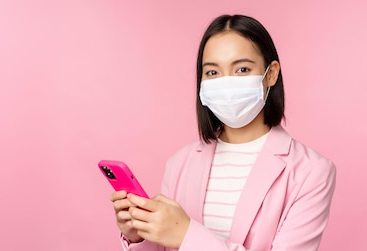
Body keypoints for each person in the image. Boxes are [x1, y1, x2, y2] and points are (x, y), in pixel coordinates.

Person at [110, 14, 336, 251]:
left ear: (271, 74)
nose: (227, 84)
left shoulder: (312, 172)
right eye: (212, 73)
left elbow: (182, 238)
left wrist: (186, 235)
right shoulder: (180, 163)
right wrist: (140, 237)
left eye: (241, 69)